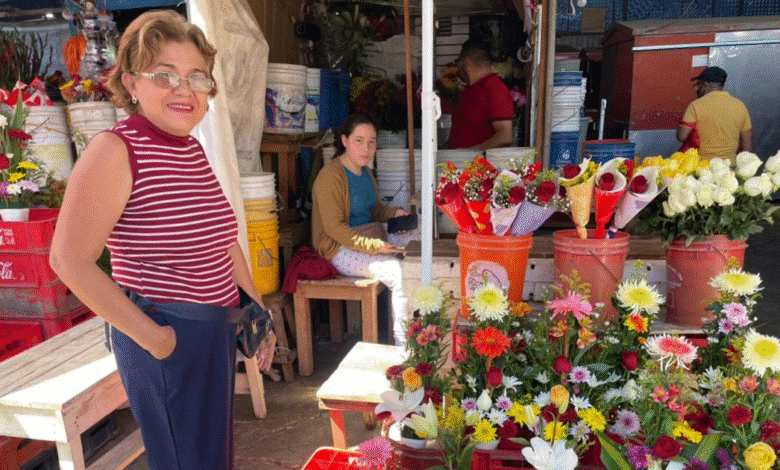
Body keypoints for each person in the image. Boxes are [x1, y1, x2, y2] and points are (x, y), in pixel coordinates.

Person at [49, 10, 275, 470]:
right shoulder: (115, 150)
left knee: (211, 459)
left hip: (213, 330)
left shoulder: (190, 147)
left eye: (197, 77)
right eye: (164, 75)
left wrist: (256, 312)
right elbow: (69, 260)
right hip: (166, 333)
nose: (184, 90)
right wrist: (157, 341)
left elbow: (223, 240)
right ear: (131, 82)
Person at [311, 114, 411, 346]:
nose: (366, 148)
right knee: (398, 273)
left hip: (367, 238)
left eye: (372, 141)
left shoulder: (366, 173)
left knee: (420, 245)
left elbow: (374, 211)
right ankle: (404, 345)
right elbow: (334, 228)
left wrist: (394, 214)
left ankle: (424, 331)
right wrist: (375, 247)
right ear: (344, 140)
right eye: (359, 140)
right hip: (339, 249)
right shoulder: (330, 177)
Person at [446, 39, 515, 150]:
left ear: (465, 62)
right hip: (458, 162)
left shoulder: (494, 89)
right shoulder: (470, 90)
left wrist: (470, 152)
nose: (458, 66)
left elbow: (505, 137)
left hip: (478, 164)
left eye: (458, 61)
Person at [677, 66, 752, 161]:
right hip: (728, 166)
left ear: (705, 85)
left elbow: (681, 136)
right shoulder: (739, 105)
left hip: (702, 167)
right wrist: (744, 163)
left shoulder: (695, 105)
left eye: (698, 85)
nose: (696, 89)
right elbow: (747, 138)